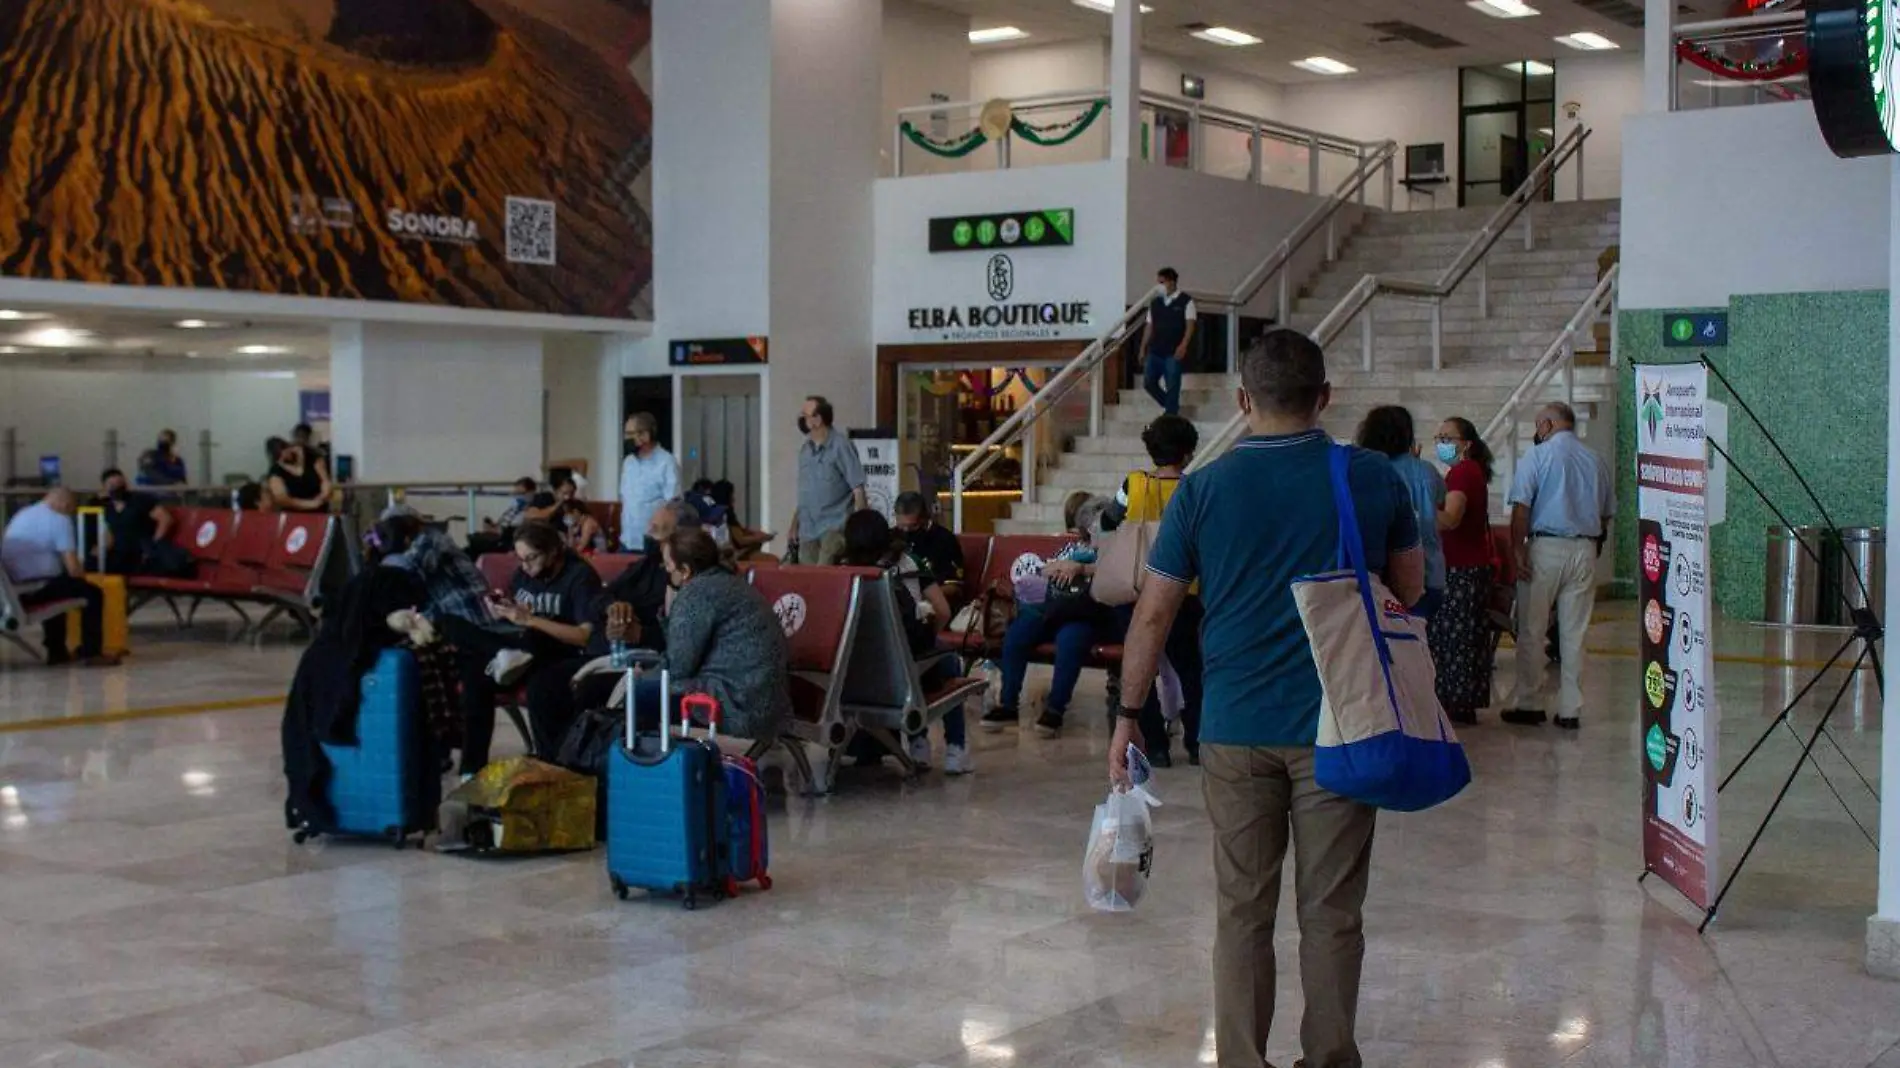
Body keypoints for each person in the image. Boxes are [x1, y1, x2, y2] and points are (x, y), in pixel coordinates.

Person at [1113, 329, 1423, 1068]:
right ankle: (1328, 1058)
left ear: (1243, 400)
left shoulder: (1203, 489)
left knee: (1242, 911)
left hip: (1234, 729)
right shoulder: (1373, 477)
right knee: (1332, 912)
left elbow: (1153, 614)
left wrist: (1129, 716)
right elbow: (1409, 593)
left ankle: (1243, 1060)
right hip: (1343, 728)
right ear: (1324, 398)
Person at [436, 521, 600, 775]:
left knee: (534, 676)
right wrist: (504, 608)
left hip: (558, 651)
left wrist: (530, 620)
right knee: (465, 657)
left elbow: (584, 637)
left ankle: (550, 768)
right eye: (521, 559)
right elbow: (522, 612)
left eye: (532, 558)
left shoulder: (579, 576)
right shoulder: (524, 574)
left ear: (553, 551)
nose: (525, 567)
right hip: (521, 646)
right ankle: (470, 771)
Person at [618, 528, 792, 742]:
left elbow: (678, 669)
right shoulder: (727, 582)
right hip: (762, 700)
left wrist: (641, 678)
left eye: (668, 565)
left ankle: (652, 767)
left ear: (685, 570)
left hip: (736, 704)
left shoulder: (696, 594)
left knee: (638, 696)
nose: (665, 570)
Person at [1502, 402, 1613, 731]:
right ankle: (1570, 710)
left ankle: (1529, 702)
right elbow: (1606, 514)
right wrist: (1593, 549)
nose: (1537, 432)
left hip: (1545, 548)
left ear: (1548, 425)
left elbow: (1521, 509)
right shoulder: (1596, 461)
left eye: (1538, 425)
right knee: (1574, 633)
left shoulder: (1537, 456)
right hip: (1585, 548)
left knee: (1532, 629)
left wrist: (1517, 552)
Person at [1102, 413, 1204, 768]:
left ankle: (1156, 746)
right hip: (1185, 594)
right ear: (1188, 452)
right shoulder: (1193, 488)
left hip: (1137, 589)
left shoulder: (1133, 485)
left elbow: (1107, 521)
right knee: (1192, 669)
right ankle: (1196, 743)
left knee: (1139, 666)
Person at [840, 509, 971, 775]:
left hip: (855, 677)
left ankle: (916, 742)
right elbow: (943, 611)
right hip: (903, 669)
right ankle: (950, 748)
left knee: (916, 664)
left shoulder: (842, 570)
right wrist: (927, 635)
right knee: (945, 663)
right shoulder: (909, 563)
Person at [981, 491, 1120, 738]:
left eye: (1094, 530)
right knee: (1019, 632)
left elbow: (1119, 574)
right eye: (1087, 531)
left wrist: (1083, 568)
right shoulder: (1073, 546)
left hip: (1088, 613)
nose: (1089, 536)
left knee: (1071, 640)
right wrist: (1054, 568)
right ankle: (1008, 703)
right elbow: (1045, 570)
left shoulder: (1117, 549)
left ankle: (1055, 710)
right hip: (1056, 607)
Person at [1, 488, 123, 667]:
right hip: (34, 589)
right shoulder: (59, 520)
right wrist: (86, 578)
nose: (71, 513)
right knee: (91, 592)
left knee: (61, 585)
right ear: (66, 504)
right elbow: (73, 568)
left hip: (12, 592)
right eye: (71, 509)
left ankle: (57, 651)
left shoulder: (22, 515)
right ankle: (91, 653)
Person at [1430, 417, 1497, 726]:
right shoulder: (1470, 472)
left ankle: (1456, 701)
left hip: (1460, 568)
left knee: (1455, 639)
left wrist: (1419, 509)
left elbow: (1452, 518)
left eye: (1448, 437)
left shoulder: (1462, 473)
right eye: (1439, 437)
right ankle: (1462, 702)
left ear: (1466, 443)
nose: (1442, 443)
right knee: (1465, 638)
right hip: (1470, 566)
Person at [1354, 405, 1447, 618]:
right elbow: (1440, 501)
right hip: (1430, 575)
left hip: (1386, 579)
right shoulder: (1426, 470)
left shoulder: (1369, 471)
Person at [372, 504, 491, 625]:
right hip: (461, 612)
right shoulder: (422, 542)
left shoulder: (430, 539)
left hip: (468, 611)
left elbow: (402, 569)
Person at [789, 396, 865, 565]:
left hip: (834, 527)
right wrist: (794, 525)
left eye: (805, 415)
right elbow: (805, 493)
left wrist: (860, 528)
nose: (802, 420)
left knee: (825, 573)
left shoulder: (840, 446)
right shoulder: (805, 450)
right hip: (808, 529)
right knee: (807, 582)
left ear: (818, 419)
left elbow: (858, 488)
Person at [98, 468, 186, 576]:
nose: (117, 488)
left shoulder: (139, 500)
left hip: (140, 553)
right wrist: (100, 550)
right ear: (105, 488)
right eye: (112, 485)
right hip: (121, 553)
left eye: (120, 484)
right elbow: (110, 534)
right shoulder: (108, 509)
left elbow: (166, 519)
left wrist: (153, 545)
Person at [1136, 267, 1197, 416]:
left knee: (1172, 384)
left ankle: (1171, 413)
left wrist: (1184, 345)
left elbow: (1190, 325)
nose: (1159, 286)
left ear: (1171, 282)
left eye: (1162, 282)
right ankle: (1169, 405)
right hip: (1155, 350)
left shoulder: (1186, 301)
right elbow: (1149, 326)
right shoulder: (1155, 303)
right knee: (1149, 383)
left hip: (1173, 351)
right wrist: (1142, 348)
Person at [618, 413, 680, 551]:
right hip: (626, 540)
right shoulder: (628, 462)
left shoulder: (666, 462)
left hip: (652, 542)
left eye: (629, 434)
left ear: (645, 435)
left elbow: (674, 502)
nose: (625, 438)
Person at [892, 491, 965, 590]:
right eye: (901, 525)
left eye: (912, 526)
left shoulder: (944, 540)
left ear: (925, 518)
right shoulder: (891, 537)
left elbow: (954, 586)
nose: (906, 530)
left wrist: (922, 596)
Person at [712, 479, 776, 562]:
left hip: (727, 554)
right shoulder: (725, 515)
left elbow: (741, 530)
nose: (733, 499)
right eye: (731, 495)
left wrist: (755, 534)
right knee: (773, 561)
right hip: (734, 556)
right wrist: (761, 538)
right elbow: (741, 540)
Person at [266, 441, 333, 513]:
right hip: (294, 513)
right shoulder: (276, 471)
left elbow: (325, 480)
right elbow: (282, 498)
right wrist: (310, 504)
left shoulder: (312, 458)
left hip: (320, 509)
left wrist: (323, 495)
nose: (286, 455)